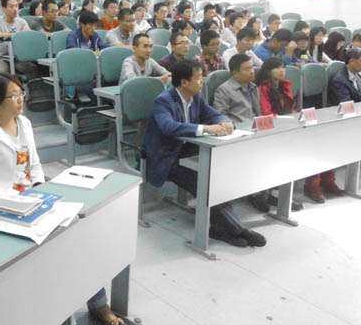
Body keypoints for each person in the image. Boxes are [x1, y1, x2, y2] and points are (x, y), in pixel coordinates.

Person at [0, 74, 124, 325]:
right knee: (57, 251)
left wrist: (40, 190)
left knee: (79, 237)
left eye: (21, 93)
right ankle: (60, 313)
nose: (21, 99)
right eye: (14, 96)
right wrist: (20, 202)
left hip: (34, 198)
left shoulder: (24, 123)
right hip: (5, 207)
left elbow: (35, 165)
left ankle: (98, 304)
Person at [143, 59, 266, 247]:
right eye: (199, 78)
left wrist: (224, 121)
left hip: (188, 150)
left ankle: (221, 228)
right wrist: (207, 128)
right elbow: (169, 127)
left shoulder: (196, 98)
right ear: (184, 82)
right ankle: (237, 230)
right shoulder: (164, 100)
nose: (202, 82)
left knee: (218, 175)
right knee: (204, 182)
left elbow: (213, 114)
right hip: (165, 157)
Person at [257, 57, 342, 203]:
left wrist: (296, 118)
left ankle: (327, 181)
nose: (282, 71)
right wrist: (290, 120)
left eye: (283, 67)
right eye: (277, 68)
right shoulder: (262, 88)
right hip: (275, 129)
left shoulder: (284, 85)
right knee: (311, 146)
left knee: (324, 141)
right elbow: (267, 113)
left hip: (290, 125)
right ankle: (312, 186)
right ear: (268, 71)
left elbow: (292, 108)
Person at [0, 0, 38, 79]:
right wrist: (19, 34)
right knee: (4, 71)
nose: (15, 9)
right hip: (0, 56)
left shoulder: (21, 21)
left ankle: (24, 86)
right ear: (3, 8)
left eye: (16, 6)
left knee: (32, 68)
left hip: (17, 56)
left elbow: (28, 35)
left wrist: (15, 35)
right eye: (11, 7)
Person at [213, 54, 260, 123]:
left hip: (257, 125)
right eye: (247, 69)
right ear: (235, 74)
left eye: (252, 67)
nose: (252, 71)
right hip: (238, 127)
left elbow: (258, 112)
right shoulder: (224, 90)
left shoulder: (254, 87)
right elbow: (220, 116)